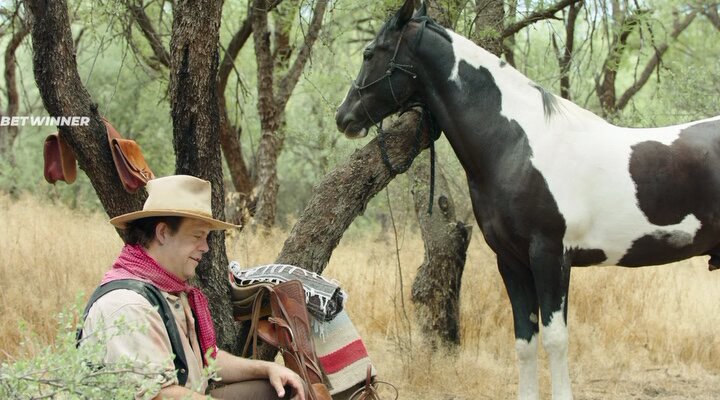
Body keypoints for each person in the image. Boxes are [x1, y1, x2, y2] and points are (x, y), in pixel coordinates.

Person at [80, 175, 305, 400]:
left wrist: (268, 368)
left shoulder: (166, 291)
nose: (205, 247)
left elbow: (207, 361)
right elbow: (157, 395)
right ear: (163, 233)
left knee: (284, 389)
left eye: (206, 238)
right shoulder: (128, 305)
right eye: (197, 236)